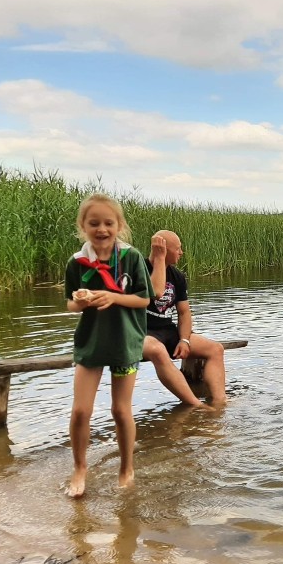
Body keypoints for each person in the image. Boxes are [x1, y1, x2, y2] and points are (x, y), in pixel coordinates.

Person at [64, 194, 153, 498]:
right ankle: (79, 468)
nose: (101, 229)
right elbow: (70, 305)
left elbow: (143, 299)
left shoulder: (131, 257)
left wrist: (113, 297)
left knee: (120, 410)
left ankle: (126, 468)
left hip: (125, 343)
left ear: (119, 225)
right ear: (83, 226)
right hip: (90, 344)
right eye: (94, 223)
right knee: (80, 411)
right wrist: (80, 301)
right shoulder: (77, 262)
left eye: (108, 223)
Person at [142, 230, 227, 408]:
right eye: (178, 249)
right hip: (141, 331)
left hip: (167, 330)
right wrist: (159, 260)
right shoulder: (138, 268)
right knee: (157, 350)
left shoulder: (178, 276)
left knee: (215, 349)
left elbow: (184, 313)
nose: (181, 253)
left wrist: (184, 339)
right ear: (164, 250)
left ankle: (220, 403)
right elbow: (155, 293)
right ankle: (196, 405)